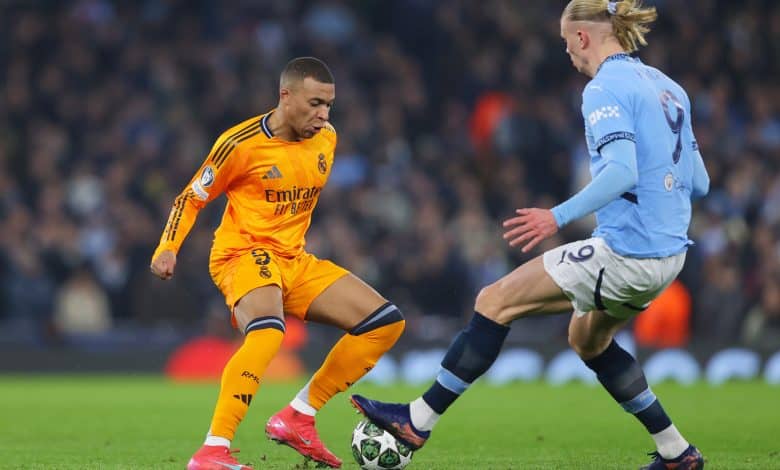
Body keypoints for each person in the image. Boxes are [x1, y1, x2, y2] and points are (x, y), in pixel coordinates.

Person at [351, 1, 709, 469]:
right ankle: (677, 453)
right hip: (669, 255)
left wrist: (556, 217)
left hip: (628, 253)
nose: (568, 54)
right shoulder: (668, 87)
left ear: (582, 37)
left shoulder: (604, 88)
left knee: (495, 301)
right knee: (587, 340)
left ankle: (417, 420)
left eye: (566, 43)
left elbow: (622, 171)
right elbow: (698, 180)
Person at [150, 57, 405, 470]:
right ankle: (213, 451)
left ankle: (299, 416)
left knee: (385, 323)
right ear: (285, 96)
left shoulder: (326, 138)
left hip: (294, 259)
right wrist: (168, 246)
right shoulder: (240, 144)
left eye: (329, 106)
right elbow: (191, 197)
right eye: (315, 103)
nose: (323, 116)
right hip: (243, 254)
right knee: (269, 332)